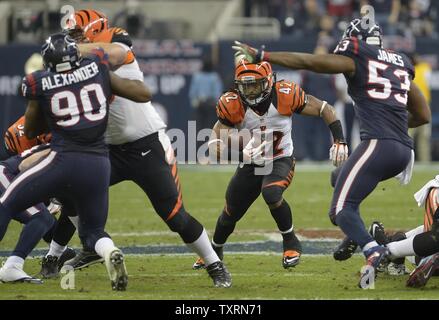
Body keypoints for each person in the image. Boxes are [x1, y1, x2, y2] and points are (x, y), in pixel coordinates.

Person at [232, 17, 431, 286]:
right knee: (339, 177)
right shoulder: (399, 62)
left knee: (340, 209)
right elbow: (422, 114)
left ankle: (376, 252)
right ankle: (361, 235)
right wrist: (395, 130)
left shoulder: (357, 57)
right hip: (402, 150)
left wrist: (263, 55)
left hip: (379, 145)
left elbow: (310, 62)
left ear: (355, 40)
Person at [41, 9, 232, 288]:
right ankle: (64, 252)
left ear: (96, 31)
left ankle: (215, 264)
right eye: (70, 38)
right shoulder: (74, 64)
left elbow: (115, 55)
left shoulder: (114, 42)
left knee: (174, 216)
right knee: (69, 189)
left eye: (77, 36)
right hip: (107, 149)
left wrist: (75, 49)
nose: (73, 43)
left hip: (147, 144)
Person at [0, 32, 152, 290]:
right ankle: (110, 252)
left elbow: (32, 130)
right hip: (99, 165)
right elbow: (142, 94)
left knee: (6, 204)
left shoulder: (41, 82)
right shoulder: (97, 69)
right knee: (92, 232)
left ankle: (15, 264)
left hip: (63, 159)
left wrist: (42, 104)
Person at [192, 57, 348, 270]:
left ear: (267, 82)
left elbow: (324, 109)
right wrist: (226, 145)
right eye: (245, 86)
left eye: (254, 85)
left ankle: (290, 242)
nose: (250, 91)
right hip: (252, 163)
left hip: (280, 159)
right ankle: (214, 250)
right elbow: (218, 135)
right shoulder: (232, 102)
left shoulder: (285, 94)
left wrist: (339, 139)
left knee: (271, 193)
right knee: (231, 212)